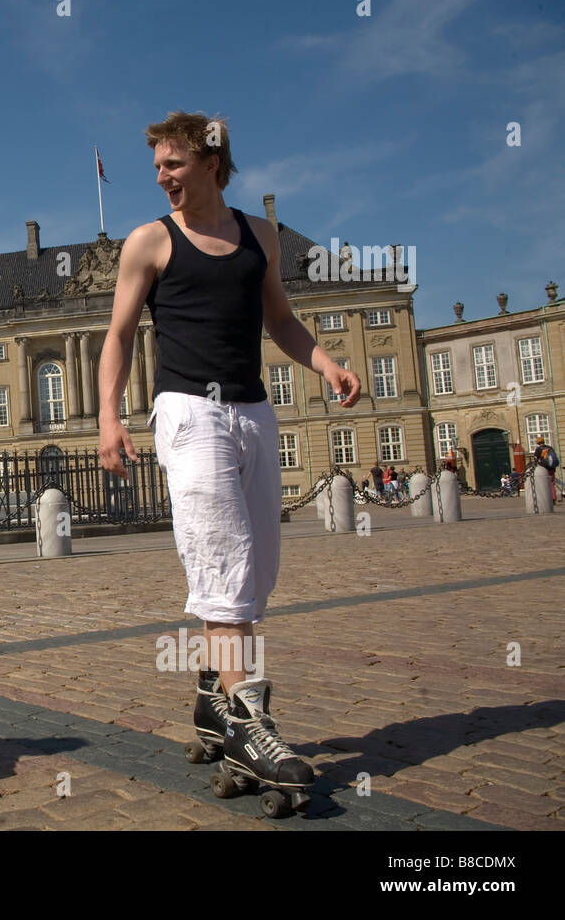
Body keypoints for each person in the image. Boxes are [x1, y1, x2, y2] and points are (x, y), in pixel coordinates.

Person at [98, 111, 361, 810]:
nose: (162, 177)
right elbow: (119, 334)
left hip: (251, 409)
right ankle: (254, 728)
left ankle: (217, 700)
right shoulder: (150, 242)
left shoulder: (259, 236)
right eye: (156, 166)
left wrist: (325, 363)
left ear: (213, 162)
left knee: (259, 569)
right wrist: (109, 420)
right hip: (188, 411)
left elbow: (279, 319)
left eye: (174, 163)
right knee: (223, 569)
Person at [532, 436, 559, 502]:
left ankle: (547, 498)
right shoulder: (550, 448)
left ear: (538, 443)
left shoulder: (538, 449)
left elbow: (535, 459)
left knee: (544, 483)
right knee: (552, 483)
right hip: (552, 468)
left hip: (543, 468)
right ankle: (553, 497)